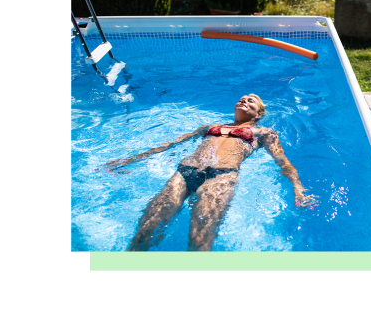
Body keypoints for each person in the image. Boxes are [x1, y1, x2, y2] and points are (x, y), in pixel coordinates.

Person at [106, 94, 315, 251]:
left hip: (221, 177)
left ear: (258, 114)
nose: (244, 101)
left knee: (200, 239)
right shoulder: (210, 126)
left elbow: (283, 161)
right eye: (241, 99)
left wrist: (298, 188)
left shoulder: (263, 132)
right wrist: (131, 160)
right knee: (148, 227)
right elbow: (170, 144)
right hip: (185, 172)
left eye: (250, 101)